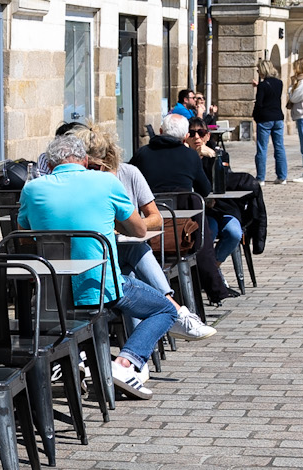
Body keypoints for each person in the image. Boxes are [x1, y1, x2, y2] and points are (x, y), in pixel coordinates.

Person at [16, 128, 177, 398]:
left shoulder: (32, 189)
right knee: (165, 309)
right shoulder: (106, 182)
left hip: (52, 292)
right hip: (99, 288)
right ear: (84, 160)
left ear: (51, 165)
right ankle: (125, 363)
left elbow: (23, 236)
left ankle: (77, 359)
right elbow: (140, 230)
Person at [84, 127, 214, 340]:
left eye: (99, 166)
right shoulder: (83, 183)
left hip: (121, 251)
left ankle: (138, 351)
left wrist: (130, 225)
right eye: (91, 166)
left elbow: (155, 218)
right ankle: (175, 313)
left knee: (132, 262)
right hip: (98, 258)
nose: (96, 171)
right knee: (133, 259)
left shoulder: (129, 173)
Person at [131, 113, 243, 306]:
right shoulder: (190, 155)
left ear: (160, 131)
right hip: (183, 232)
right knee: (201, 220)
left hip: (149, 229)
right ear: (185, 137)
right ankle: (213, 289)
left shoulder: (143, 154)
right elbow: (205, 190)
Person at [252, 57, 288, 184]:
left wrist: (255, 116)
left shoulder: (262, 85)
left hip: (265, 119)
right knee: (279, 147)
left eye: (258, 70)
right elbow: (272, 96)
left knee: (262, 149)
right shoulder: (279, 83)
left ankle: (261, 178)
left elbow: (259, 103)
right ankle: (282, 176)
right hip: (278, 117)